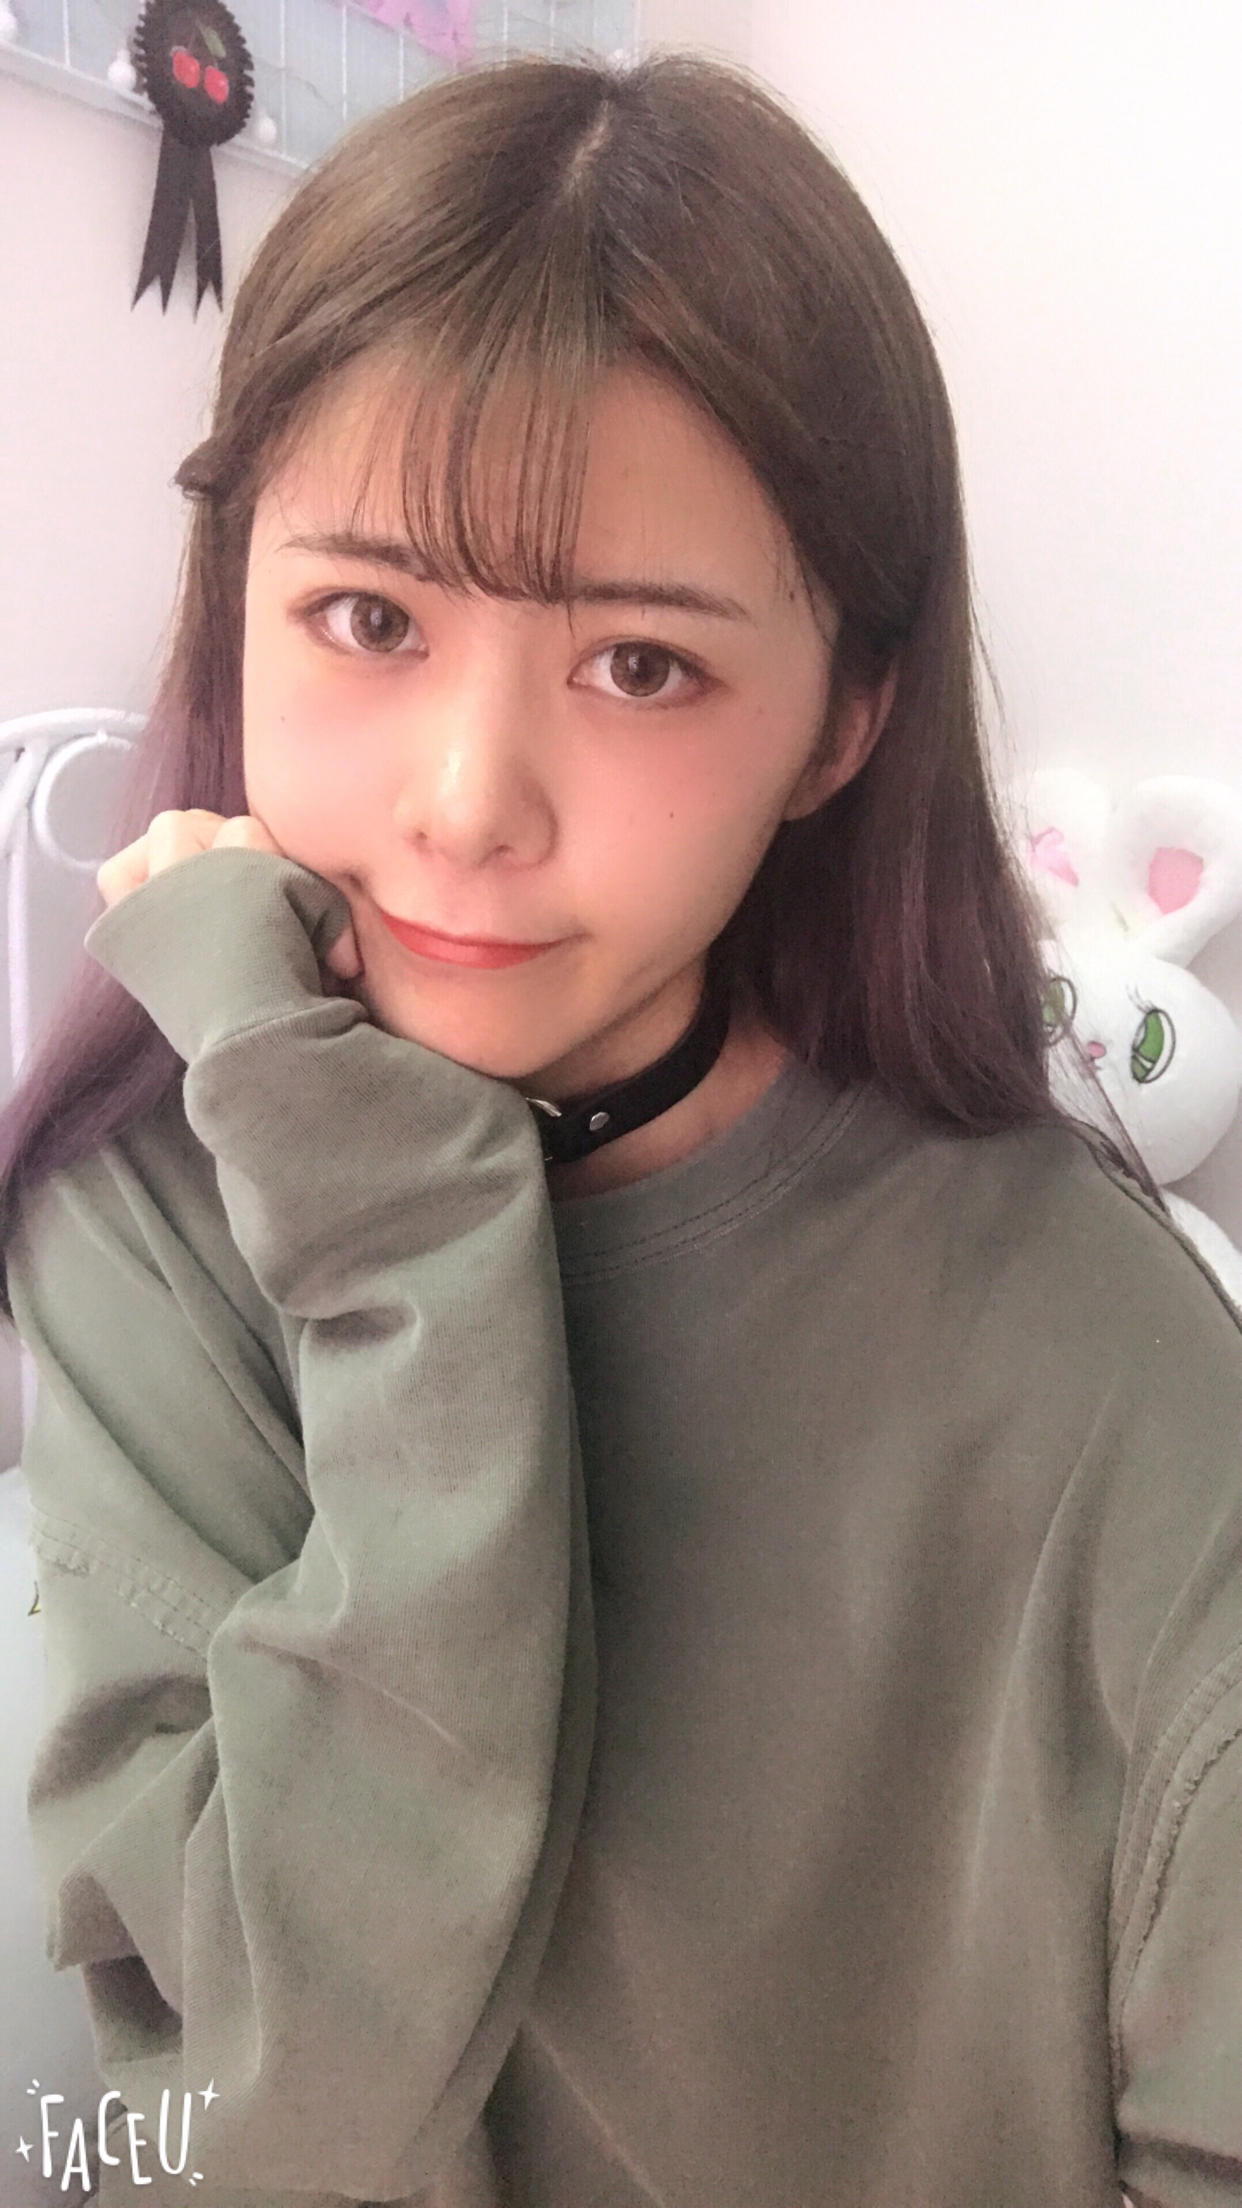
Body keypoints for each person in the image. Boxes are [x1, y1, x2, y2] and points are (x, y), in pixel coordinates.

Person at [1, 46, 1239, 2208]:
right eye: (369, 618)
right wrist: (394, 1229)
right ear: (239, 598)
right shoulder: (147, 1236)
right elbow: (254, 2123)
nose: (467, 801)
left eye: (641, 666)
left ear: (839, 720)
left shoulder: (1105, 1370)